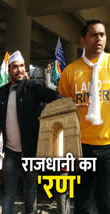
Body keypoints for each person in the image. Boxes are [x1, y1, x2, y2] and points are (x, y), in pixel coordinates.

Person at [0, 50, 62, 214]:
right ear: (9, 70)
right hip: (10, 151)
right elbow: (0, 117)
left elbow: (52, 96)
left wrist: (68, 105)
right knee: (9, 192)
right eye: (15, 67)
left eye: (22, 66)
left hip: (30, 152)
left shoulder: (33, 86)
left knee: (30, 191)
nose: (20, 69)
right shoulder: (3, 91)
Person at [58, 19, 110, 214]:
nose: (99, 38)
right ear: (82, 40)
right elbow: (58, 110)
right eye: (94, 34)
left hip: (108, 147)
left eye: (102, 34)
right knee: (82, 203)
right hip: (80, 148)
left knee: (106, 202)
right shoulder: (70, 72)